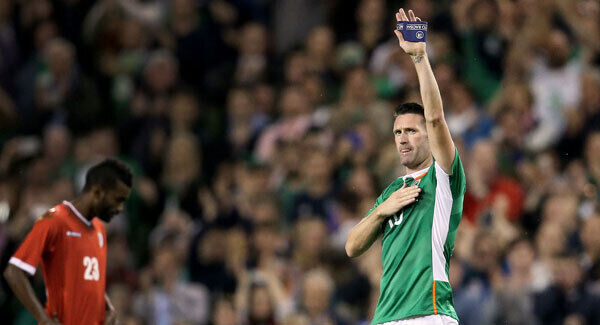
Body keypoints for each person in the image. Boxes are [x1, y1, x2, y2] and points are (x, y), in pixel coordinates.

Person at [345, 8, 465, 325]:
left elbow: (437, 118)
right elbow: (352, 247)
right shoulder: (391, 192)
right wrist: (382, 210)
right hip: (385, 317)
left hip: (430, 311)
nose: (402, 138)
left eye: (411, 130)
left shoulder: (443, 176)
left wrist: (419, 58)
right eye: (398, 132)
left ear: (429, 137)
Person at [3, 158, 133, 325]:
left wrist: (108, 308)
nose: (120, 208)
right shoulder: (53, 220)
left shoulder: (99, 228)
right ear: (98, 193)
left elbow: (90, 279)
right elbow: (13, 272)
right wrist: (43, 318)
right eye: (117, 200)